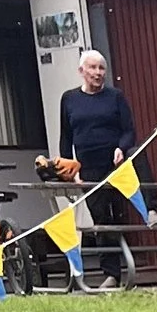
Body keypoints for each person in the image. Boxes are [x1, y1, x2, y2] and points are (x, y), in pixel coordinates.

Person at [50, 47, 145, 290]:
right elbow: (66, 137)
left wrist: (121, 148)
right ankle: (111, 274)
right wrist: (68, 169)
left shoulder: (115, 97)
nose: (98, 72)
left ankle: (124, 268)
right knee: (100, 218)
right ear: (81, 71)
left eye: (101, 68)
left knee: (118, 214)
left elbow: (129, 130)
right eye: (92, 68)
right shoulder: (69, 99)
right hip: (87, 168)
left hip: (114, 164)